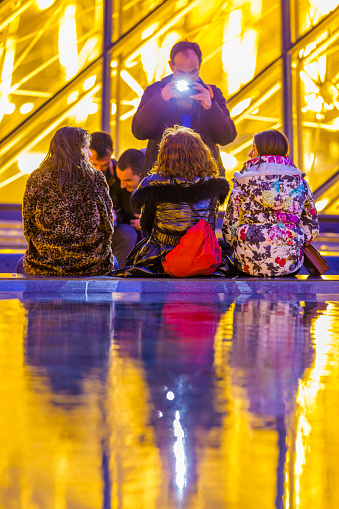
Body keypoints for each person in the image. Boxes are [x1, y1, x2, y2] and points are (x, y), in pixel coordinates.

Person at [108, 125, 233, 277]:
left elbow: (146, 225)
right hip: (203, 255)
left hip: (162, 257)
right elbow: (210, 225)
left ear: (164, 155)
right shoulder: (214, 184)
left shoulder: (152, 183)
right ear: (201, 153)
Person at [132, 40, 237, 177]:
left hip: (202, 179)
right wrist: (160, 100)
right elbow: (139, 132)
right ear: (171, 66)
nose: (187, 79)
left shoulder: (212, 93)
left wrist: (210, 106)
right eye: (181, 73)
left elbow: (227, 137)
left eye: (193, 73)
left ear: (200, 65)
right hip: (163, 178)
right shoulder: (156, 91)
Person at [222, 129, 319, 277]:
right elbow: (311, 230)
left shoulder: (243, 182)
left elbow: (229, 230)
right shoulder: (300, 182)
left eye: (253, 149)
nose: (249, 154)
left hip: (247, 263)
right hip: (290, 264)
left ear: (262, 152)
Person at [21, 126, 115, 276]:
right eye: (86, 148)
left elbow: (28, 226)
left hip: (45, 264)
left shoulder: (36, 178)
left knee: (22, 266)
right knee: (114, 264)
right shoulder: (95, 177)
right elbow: (108, 225)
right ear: (77, 149)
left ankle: (37, 300)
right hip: (91, 264)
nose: (90, 153)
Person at [89, 132, 144, 268]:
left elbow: (126, 209)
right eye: (95, 164)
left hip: (116, 226)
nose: (100, 170)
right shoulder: (80, 175)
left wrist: (114, 214)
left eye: (104, 165)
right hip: (91, 226)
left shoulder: (120, 173)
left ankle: (118, 273)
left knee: (128, 234)